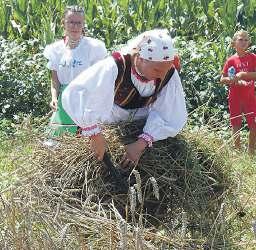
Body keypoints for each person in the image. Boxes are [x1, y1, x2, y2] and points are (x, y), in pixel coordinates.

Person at [62, 29, 187, 166]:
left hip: (141, 124)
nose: (162, 76)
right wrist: (95, 134)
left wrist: (141, 143)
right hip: (108, 121)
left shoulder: (168, 72)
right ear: (139, 58)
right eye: (157, 70)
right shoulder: (115, 66)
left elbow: (171, 115)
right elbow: (76, 93)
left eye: (166, 70)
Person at [43, 5, 107, 136]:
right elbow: (54, 79)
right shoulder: (55, 50)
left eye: (79, 22)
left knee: (85, 138)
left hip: (86, 100)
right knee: (61, 139)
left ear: (83, 24)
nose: (75, 26)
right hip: (64, 101)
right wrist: (54, 97)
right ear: (63, 23)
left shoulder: (93, 47)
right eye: (71, 22)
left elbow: (100, 78)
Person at [220, 30, 256, 155]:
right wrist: (233, 80)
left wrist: (242, 75)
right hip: (235, 97)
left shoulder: (252, 58)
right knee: (236, 124)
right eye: (240, 39)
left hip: (250, 97)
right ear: (234, 43)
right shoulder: (231, 60)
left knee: (254, 124)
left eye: (246, 40)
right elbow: (222, 79)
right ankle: (237, 150)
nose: (244, 42)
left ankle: (251, 151)